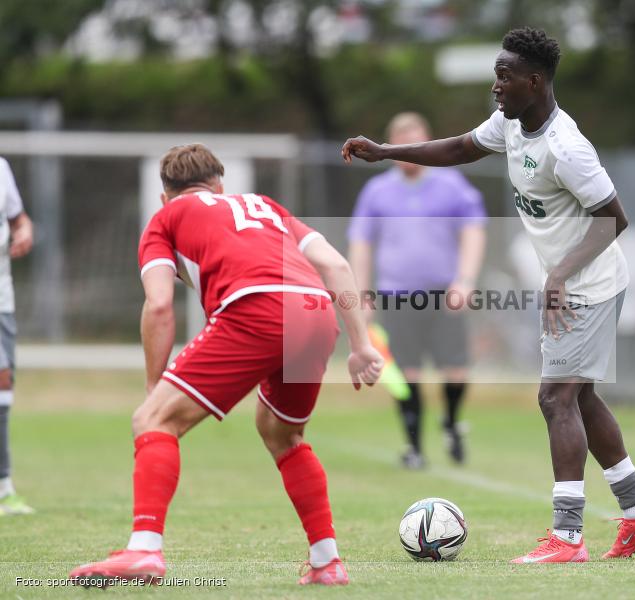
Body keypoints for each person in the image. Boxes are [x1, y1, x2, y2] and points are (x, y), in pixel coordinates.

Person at [341, 27, 635, 562]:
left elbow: (614, 219)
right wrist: (387, 152)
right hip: (573, 284)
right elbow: (460, 147)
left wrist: (559, 277)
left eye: (504, 76)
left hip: (588, 286)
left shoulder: (567, 148)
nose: (495, 87)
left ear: (534, 82)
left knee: (555, 398)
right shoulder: (511, 124)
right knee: (579, 398)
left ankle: (567, 538)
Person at [69, 144, 383, 587]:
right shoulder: (265, 205)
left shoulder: (165, 217)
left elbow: (159, 305)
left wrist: (154, 390)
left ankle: (143, 551)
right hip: (315, 313)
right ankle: (326, 561)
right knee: (282, 432)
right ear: (220, 185)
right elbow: (334, 264)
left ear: (165, 196)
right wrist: (361, 345)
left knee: (152, 420)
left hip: (255, 307)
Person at [348, 112, 486, 469]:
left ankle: (452, 423)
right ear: (390, 146)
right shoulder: (376, 191)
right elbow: (361, 244)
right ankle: (414, 448)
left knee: (455, 369)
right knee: (406, 372)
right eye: (401, 138)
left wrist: (465, 280)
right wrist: (362, 293)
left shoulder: (452, 184)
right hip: (397, 294)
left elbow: (473, 231)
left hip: (444, 292)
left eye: (415, 137)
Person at [0, 157, 34, 516]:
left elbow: (18, 218)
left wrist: (24, 230)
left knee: (4, 384)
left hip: (2, 299)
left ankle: (4, 487)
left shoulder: (1, 168)